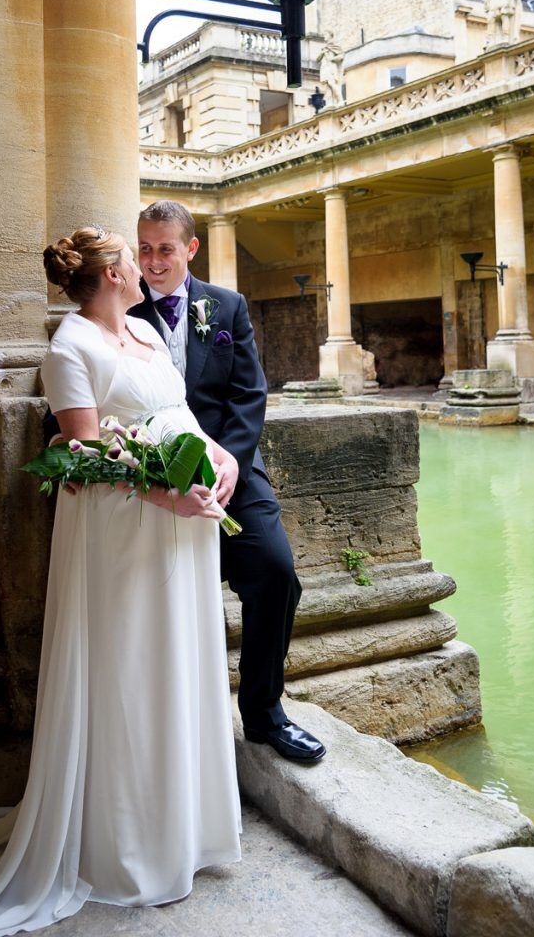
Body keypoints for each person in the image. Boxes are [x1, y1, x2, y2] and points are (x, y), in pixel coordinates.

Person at [0, 226, 242, 936]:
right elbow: (86, 454)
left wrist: (221, 463)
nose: (140, 262)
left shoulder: (147, 333)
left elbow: (177, 416)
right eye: (128, 253)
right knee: (130, 672)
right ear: (114, 272)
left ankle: (191, 828)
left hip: (186, 523)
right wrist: (168, 496)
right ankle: (128, 849)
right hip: (123, 529)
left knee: (180, 663)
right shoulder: (69, 349)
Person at [128, 200, 326, 764]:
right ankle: (169, 731)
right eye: (144, 248)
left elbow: (248, 393)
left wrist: (231, 461)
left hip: (232, 467)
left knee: (276, 572)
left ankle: (264, 715)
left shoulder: (228, 306)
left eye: (165, 248)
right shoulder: (120, 309)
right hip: (152, 471)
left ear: (190, 249)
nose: (154, 260)